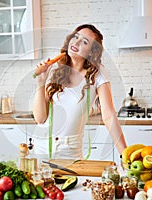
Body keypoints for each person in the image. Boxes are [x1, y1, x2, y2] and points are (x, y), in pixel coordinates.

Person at [32, 24, 127, 160]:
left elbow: (109, 116)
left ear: (91, 52)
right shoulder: (57, 72)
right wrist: (40, 83)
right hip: (41, 147)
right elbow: (40, 118)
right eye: (75, 37)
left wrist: (125, 154)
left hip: (69, 151)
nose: (76, 42)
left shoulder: (97, 73)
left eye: (84, 41)